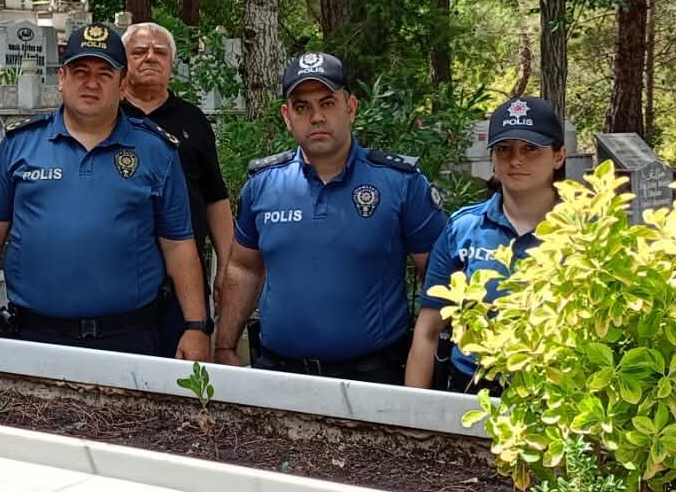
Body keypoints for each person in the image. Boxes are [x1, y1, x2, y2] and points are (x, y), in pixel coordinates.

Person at [0, 24, 212, 359]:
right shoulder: (20, 145)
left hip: (129, 341)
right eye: (80, 71)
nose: (91, 83)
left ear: (122, 85)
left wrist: (196, 327)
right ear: (62, 79)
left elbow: (179, 246)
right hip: (33, 337)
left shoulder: (155, 150)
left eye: (104, 74)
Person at [215, 51, 448, 384]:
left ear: (350, 108)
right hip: (277, 376)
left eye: (327, 103)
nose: (316, 117)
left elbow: (441, 277)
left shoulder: (400, 183)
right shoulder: (263, 185)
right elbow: (244, 267)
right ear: (286, 116)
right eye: (302, 107)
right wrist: (224, 347)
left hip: (374, 379)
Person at [405, 97, 566, 392]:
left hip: (557, 394)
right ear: (492, 157)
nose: (516, 160)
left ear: (558, 156)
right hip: (472, 389)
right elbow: (428, 332)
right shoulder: (463, 228)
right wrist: (414, 420)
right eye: (504, 149)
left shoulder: (584, 233)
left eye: (531, 149)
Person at [120, 22, 233, 323]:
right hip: (119, 284)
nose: (150, 58)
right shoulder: (108, 117)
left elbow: (215, 197)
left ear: (171, 62)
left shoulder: (193, 120)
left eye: (160, 52)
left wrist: (226, 265)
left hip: (184, 283)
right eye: (139, 51)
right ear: (123, 61)